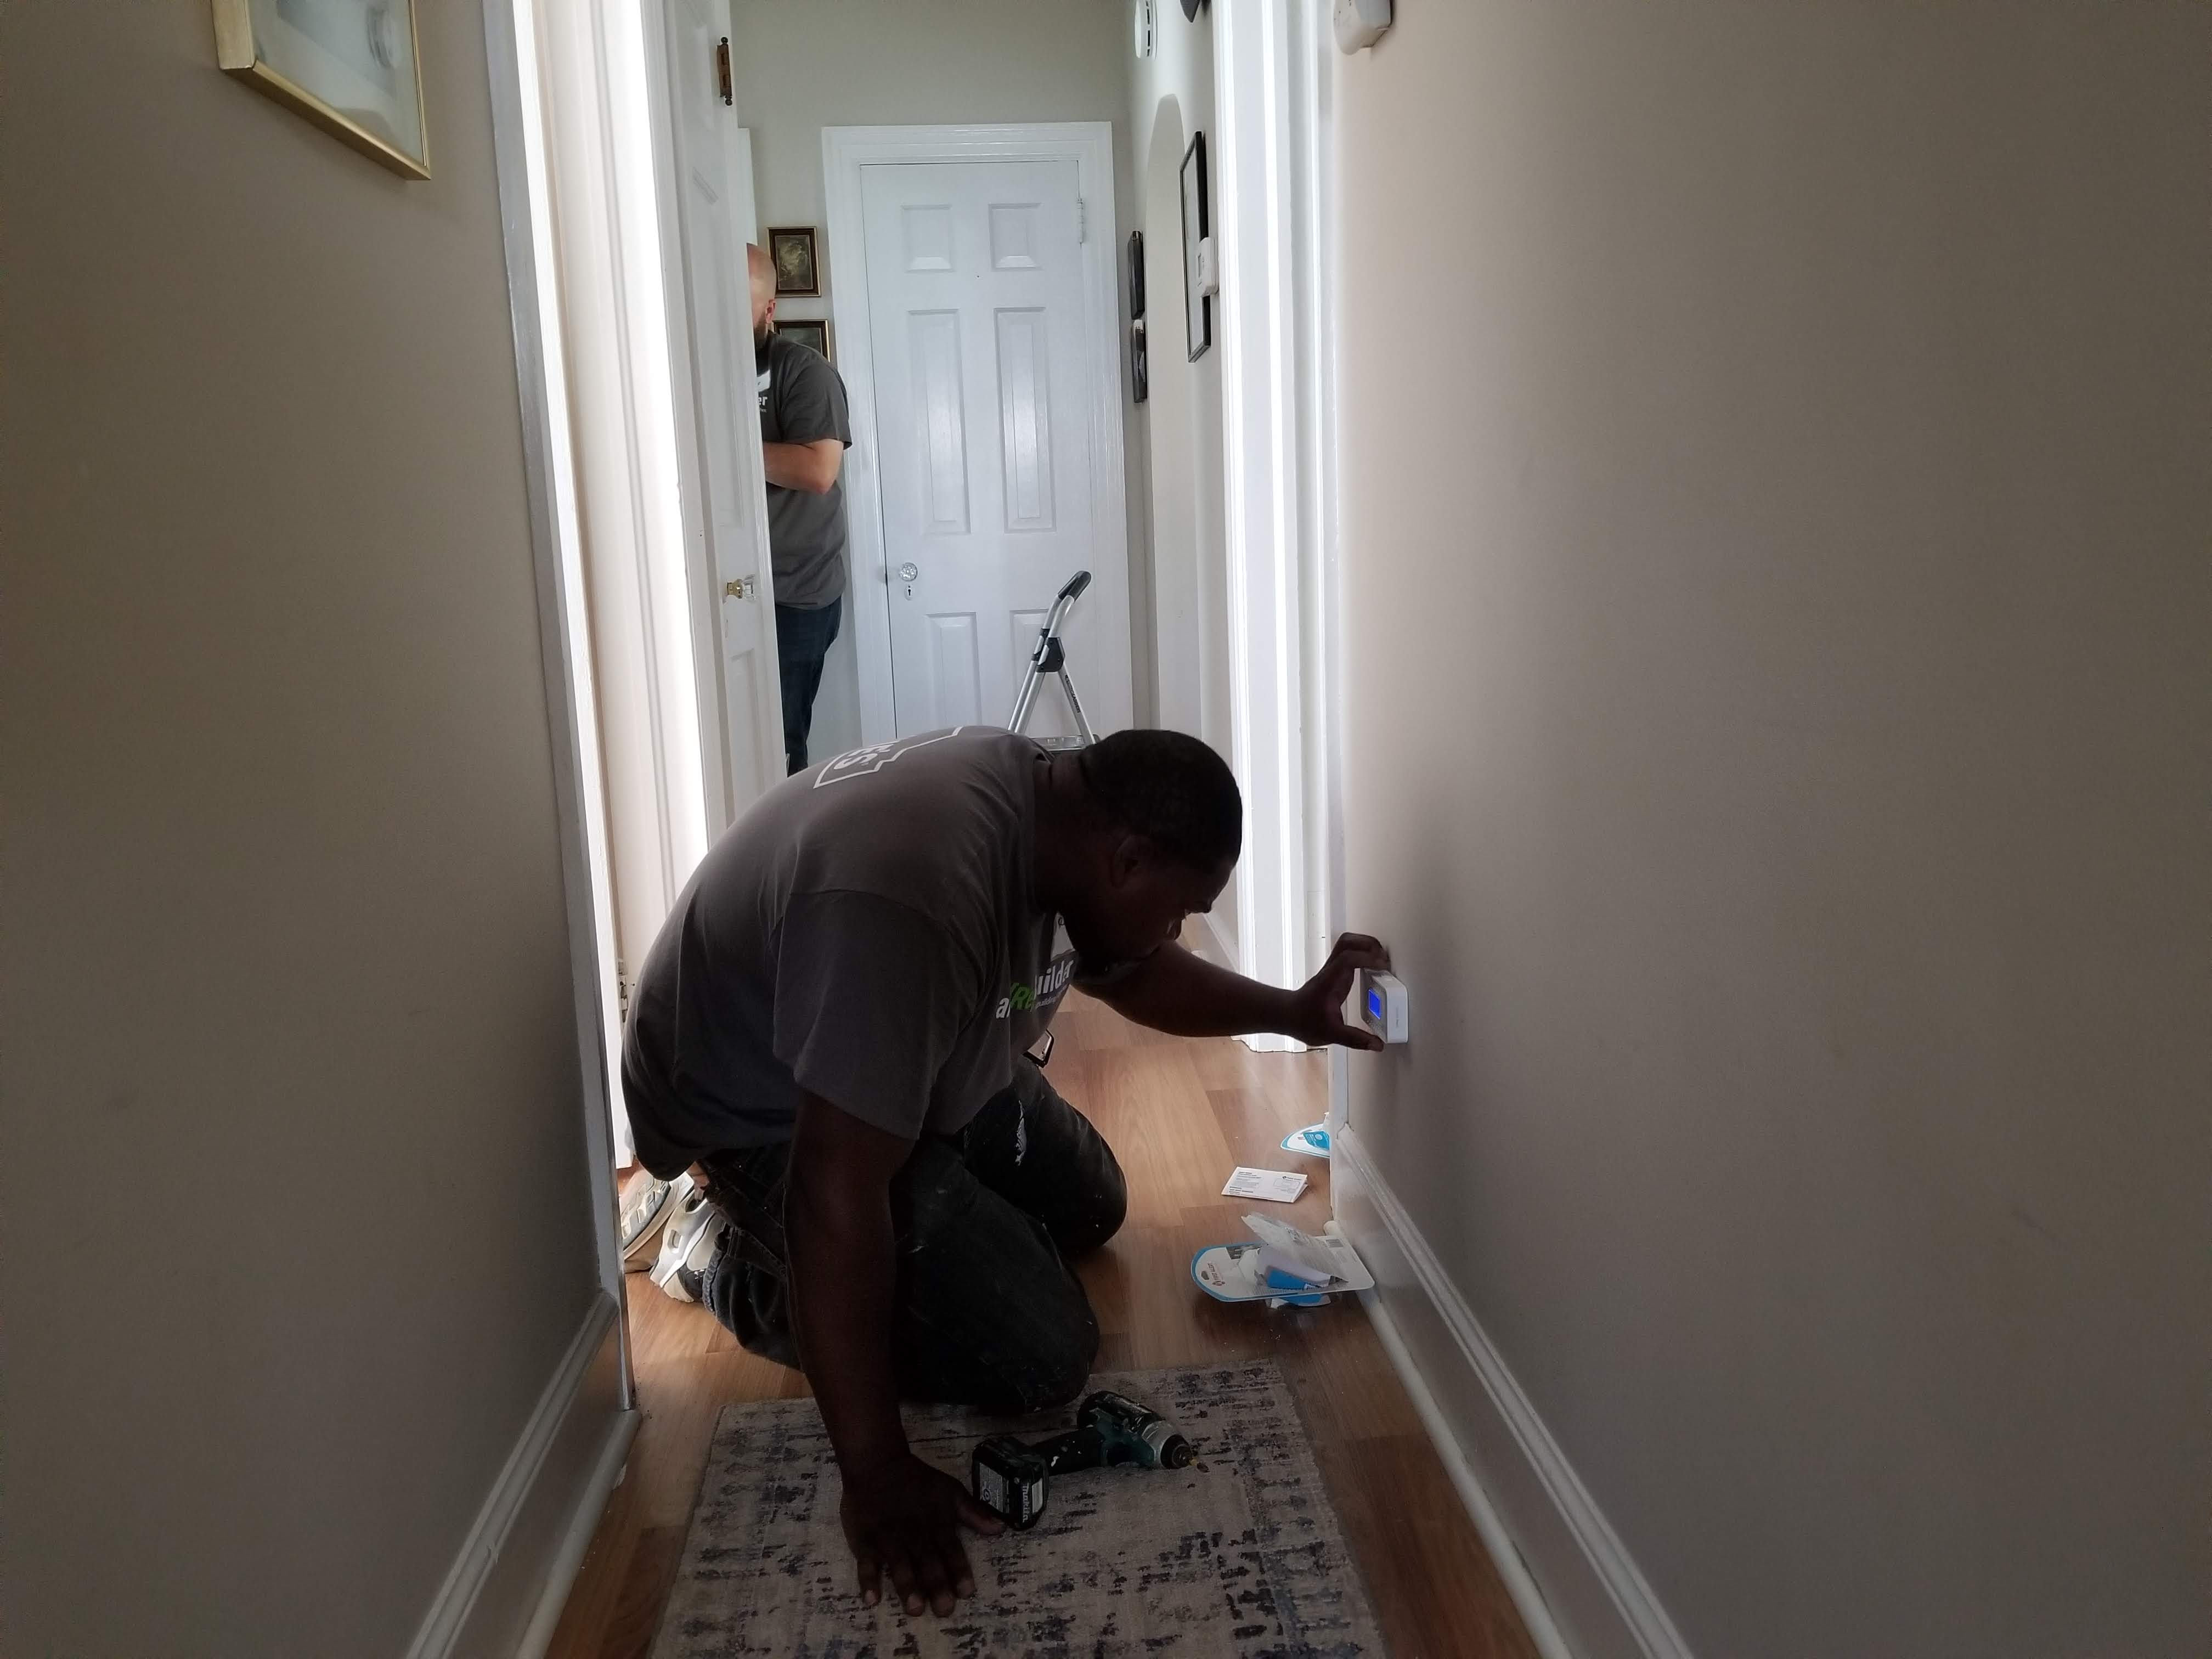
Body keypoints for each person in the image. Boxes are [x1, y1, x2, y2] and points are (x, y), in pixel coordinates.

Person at [621, 725, 1388, 1620]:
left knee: (1092, 1201)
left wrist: (1295, 1012)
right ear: (1126, 856)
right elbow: (837, 1190)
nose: (1177, 929)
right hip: (764, 1112)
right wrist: (874, 1469)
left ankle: (923, 1170)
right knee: (1043, 1353)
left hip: (924, 1041)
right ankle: (710, 1243)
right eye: (1178, 907)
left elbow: (1127, 965)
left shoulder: (1066, 805)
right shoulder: (908, 898)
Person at [749, 242, 851, 772]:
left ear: (770, 309)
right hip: (728, 591)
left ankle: (782, 849)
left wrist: (726, 451)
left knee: (781, 739)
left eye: (739, 300)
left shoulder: (804, 371)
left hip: (797, 594)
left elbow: (817, 471)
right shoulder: (691, 371)